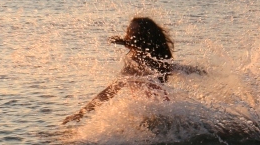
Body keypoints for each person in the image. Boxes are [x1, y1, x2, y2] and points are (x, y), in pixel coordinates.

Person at [63, 17, 198, 124]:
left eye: (133, 32)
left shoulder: (137, 63)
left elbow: (111, 91)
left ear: (143, 37)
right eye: (129, 31)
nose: (129, 34)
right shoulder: (156, 59)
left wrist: (82, 112)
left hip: (155, 116)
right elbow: (181, 69)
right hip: (165, 112)